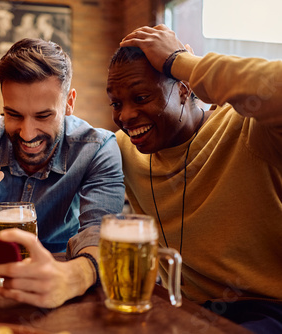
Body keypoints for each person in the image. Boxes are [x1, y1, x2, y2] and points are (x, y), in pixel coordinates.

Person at [108, 25, 282, 332]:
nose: (125, 116)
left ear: (185, 88)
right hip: (184, 309)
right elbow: (68, 141)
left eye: (141, 97)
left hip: (269, 311)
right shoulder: (123, 149)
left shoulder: (249, 129)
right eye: (117, 103)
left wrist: (180, 61)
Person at [0, 38, 125, 308]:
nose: (27, 134)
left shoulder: (97, 149)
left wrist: (72, 278)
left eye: (43, 116)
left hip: (69, 286)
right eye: (13, 114)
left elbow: (100, 236)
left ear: (69, 103)